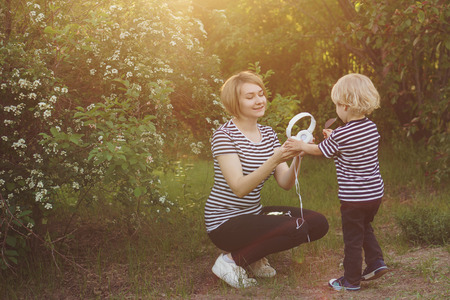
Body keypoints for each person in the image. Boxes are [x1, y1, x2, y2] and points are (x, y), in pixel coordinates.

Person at [204, 71, 329, 288]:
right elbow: (239, 188)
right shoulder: (224, 136)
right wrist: (275, 158)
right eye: (250, 96)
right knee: (296, 227)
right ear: (235, 102)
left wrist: (298, 155)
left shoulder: (269, 133)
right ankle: (230, 262)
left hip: (253, 214)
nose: (259, 100)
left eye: (261, 94)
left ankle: (252, 257)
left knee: (318, 224)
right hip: (225, 223)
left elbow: (285, 183)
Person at [285, 73, 388, 291]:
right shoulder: (371, 128)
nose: (336, 110)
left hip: (354, 198)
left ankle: (351, 280)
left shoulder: (343, 134)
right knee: (364, 227)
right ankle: (376, 262)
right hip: (374, 195)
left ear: (346, 106)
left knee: (352, 238)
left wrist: (301, 146)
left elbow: (320, 150)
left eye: (337, 106)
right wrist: (334, 137)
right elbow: (350, 146)